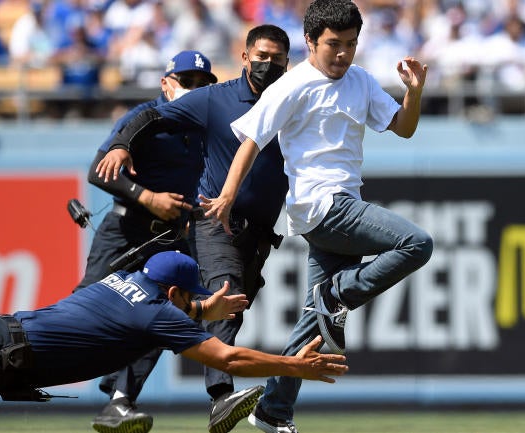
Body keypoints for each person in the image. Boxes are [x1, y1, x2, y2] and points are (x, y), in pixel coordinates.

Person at [200, 1, 434, 432]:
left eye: (350, 44)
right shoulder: (292, 86)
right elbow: (251, 140)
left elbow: (403, 127)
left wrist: (414, 92)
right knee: (417, 243)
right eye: (332, 44)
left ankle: (273, 410)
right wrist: (227, 194)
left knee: (313, 328)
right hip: (321, 206)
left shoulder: (360, 80)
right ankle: (340, 293)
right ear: (309, 42)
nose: (342, 53)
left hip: (336, 209)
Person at [0, 251, 349, 414]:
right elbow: (228, 359)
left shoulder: (120, 281)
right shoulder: (160, 314)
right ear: (175, 297)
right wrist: (295, 366)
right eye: (191, 301)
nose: (191, 309)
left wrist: (204, 305)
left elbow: (154, 311)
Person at [96, 24, 291, 433]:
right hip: (207, 222)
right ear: (244, 57)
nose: (267, 65)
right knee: (226, 294)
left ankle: (119, 399)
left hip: (250, 235)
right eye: (261, 56)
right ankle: (221, 396)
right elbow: (150, 115)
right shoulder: (212, 101)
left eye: (276, 58)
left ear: (288, 62)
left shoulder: (294, 100)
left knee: (181, 313)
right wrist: (120, 144)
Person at [79, 49, 217, 432]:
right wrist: (147, 197)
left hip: (169, 239)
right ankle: (28, 369)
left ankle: (120, 401)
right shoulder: (146, 119)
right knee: (88, 308)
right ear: (166, 83)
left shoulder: (203, 127)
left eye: (203, 84)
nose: (194, 90)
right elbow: (98, 171)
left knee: (164, 315)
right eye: (187, 82)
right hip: (126, 229)